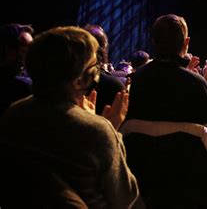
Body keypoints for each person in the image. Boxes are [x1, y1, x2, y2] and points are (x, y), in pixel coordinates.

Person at [0, 26, 140, 208]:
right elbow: (126, 198)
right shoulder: (97, 130)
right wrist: (110, 129)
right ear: (80, 80)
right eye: (92, 66)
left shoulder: (14, 113)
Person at [126, 14, 207, 201]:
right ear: (186, 42)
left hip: (148, 172)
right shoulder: (195, 83)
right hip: (192, 171)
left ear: (154, 41)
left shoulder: (138, 79)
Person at [0, 23, 34, 115]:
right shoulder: (22, 86)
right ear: (8, 50)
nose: (32, 54)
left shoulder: (25, 74)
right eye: (26, 49)